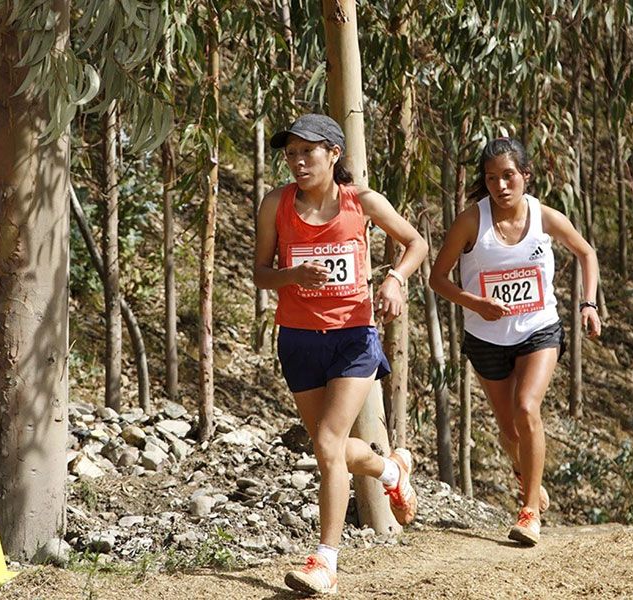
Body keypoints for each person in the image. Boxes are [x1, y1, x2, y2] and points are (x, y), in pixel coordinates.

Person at [254, 114, 428, 595]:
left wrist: (394, 279)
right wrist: (293, 276)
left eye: (307, 152)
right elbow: (260, 273)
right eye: (290, 153)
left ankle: (325, 562)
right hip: (298, 338)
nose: (297, 161)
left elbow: (416, 243)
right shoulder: (277, 204)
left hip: (354, 337)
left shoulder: (362, 201)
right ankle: (391, 469)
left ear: (333, 154)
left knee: (329, 444)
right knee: (325, 446)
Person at [429, 137, 601, 546]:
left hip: (538, 328)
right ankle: (526, 473)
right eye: (492, 179)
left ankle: (528, 513)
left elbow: (586, 253)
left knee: (527, 408)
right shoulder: (472, 221)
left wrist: (589, 304)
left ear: (525, 176)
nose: (501, 186)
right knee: (509, 432)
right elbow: (437, 278)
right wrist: (474, 302)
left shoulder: (544, 217)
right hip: (485, 336)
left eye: (509, 176)